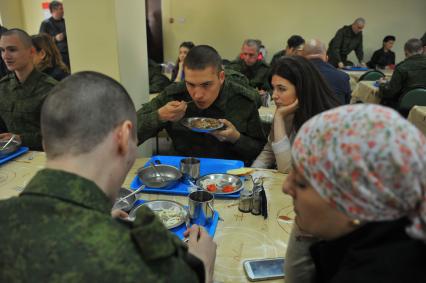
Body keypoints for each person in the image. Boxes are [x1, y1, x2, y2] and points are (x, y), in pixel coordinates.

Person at [0, 71, 217, 282]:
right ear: (123, 137)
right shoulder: (144, 263)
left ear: (46, 143)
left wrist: (102, 220)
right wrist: (202, 265)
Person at [283, 104, 426, 283]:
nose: (285, 187)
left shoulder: (370, 274)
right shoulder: (395, 230)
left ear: (356, 203)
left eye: (301, 183)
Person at [137, 45, 266, 165]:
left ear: (221, 77)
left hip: (227, 176)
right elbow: (130, 134)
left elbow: (258, 151)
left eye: (206, 85)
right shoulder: (175, 94)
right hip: (181, 171)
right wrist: (159, 116)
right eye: (191, 84)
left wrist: (236, 138)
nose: (197, 95)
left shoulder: (242, 100)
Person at [251, 56, 340, 173]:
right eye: (273, 88)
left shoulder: (324, 123)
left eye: (281, 89)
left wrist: (278, 119)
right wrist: (252, 173)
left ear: (302, 89)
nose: (274, 95)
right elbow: (269, 151)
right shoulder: (288, 111)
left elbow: (287, 170)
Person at [0, 28, 57, 150]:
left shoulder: (51, 89)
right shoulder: (2, 87)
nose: (5, 56)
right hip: (11, 156)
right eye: (2, 50)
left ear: (31, 52)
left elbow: (62, 134)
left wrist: (21, 139)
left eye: (12, 50)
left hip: (45, 156)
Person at [379, 38, 426, 111]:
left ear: (406, 51)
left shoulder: (401, 67)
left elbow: (390, 92)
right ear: (423, 49)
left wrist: (382, 85)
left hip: (403, 108)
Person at [303, 39, 351, 104]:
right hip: (335, 113)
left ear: (302, 58)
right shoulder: (343, 77)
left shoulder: (294, 76)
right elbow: (346, 104)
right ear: (327, 58)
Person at [39, 0, 70, 68]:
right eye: (60, 9)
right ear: (53, 10)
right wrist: (55, 38)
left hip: (68, 54)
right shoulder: (45, 24)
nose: (62, 11)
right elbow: (41, 41)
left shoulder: (66, 21)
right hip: (55, 57)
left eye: (62, 8)